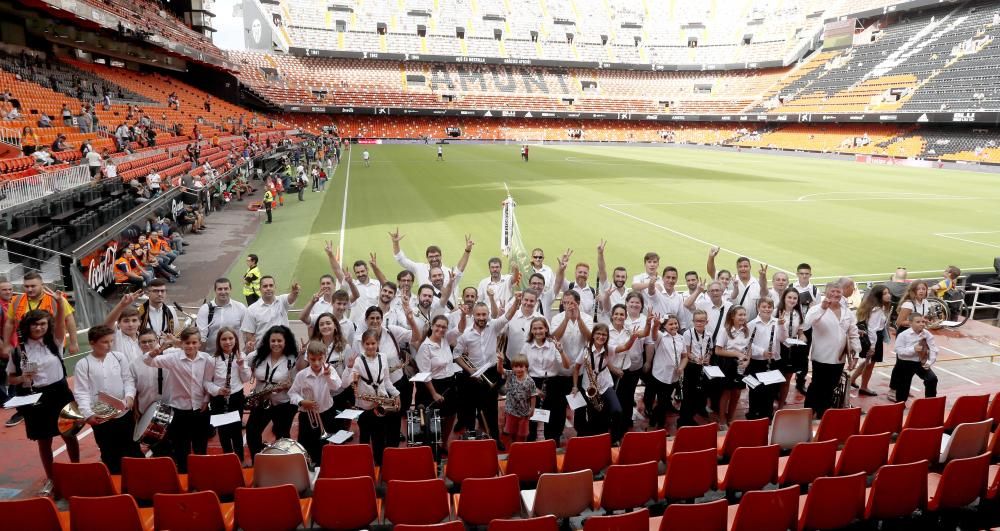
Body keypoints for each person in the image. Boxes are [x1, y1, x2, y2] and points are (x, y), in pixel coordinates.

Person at [7, 303, 78, 490]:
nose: (39, 328)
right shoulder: (18, 351)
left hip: (60, 393)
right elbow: (10, 378)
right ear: (28, 326)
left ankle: (79, 469)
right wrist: (22, 378)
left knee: (69, 434)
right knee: (44, 440)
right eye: (35, 324)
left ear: (49, 325)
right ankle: (51, 478)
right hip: (34, 397)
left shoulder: (55, 342)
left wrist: (60, 303)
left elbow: (62, 322)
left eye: (43, 324)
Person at [72, 325, 142, 473]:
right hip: (101, 418)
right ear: (92, 343)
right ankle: (117, 485)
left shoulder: (119, 357)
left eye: (111, 341)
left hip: (123, 414)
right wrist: (88, 414)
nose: (109, 345)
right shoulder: (83, 364)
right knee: (109, 453)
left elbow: (128, 380)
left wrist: (129, 397)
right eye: (105, 342)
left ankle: (139, 485)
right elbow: (81, 392)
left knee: (133, 449)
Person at [143, 326, 212, 473]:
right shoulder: (173, 358)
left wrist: (206, 400)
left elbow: (208, 382)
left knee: (201, 446)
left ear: (200, 343)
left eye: (194, 343)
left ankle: (201, 475)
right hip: (179, 411)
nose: (191, 346)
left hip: (201, 410)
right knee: (181, 447)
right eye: (187, 343)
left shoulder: (207, 359)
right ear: (182, 343)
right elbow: (148, 362)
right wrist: (153, 353)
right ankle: (184, 476)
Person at [803, 282, 859, 417]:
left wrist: (856, 353)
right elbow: (807, 323)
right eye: (832, 291)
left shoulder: (847, 312)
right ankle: (808, 412)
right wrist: (822, 308)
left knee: (831, 387)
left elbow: (853, 333)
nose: (835, 294)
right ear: (825, 293)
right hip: (821, 356)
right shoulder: (816, 309)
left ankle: (823, 414)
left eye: (838, 292)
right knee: (817, 385)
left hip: (839, 358)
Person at [246, 326, 301, 460]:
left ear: (286, 341)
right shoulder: (256, 355)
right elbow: (244, 367)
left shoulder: (293, 359)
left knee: (282, 435)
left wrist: (287, 387)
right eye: (273, 341)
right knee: (252, 431)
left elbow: (298, 383)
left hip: (283, 403)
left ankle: (281, 462)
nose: (276, 344)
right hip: (261, 400)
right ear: (268, 341)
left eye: (279, 341)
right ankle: (258, 459)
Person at [351, 329, 400, 465]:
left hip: (381, 404)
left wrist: (396, 393)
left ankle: (379, 464)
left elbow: (386, 380)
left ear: (378, 343)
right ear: (363, 344)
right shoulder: (358, 361)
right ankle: (364, 465)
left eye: (373, 343)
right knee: (365, 438)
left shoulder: (382, 357)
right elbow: (353, 378)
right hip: (365, 405)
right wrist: (352, 378)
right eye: (367, 344)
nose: (370, 346)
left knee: (379, 437)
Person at [290, 341, 343, 464]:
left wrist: (328, 376)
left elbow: (337, 386)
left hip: (326, 414)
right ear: (307, 358)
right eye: (313, 359)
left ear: (325, 356)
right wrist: (302, 401)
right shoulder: (301, 375)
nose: (317, 363)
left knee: (325, 447)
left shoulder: (330, 370)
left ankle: (323, 470)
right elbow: (292, 393)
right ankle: (310, 470)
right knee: (307, 445)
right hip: (307, 417)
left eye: (320, 359)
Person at [520, 317, 572, 442]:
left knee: (555, 416)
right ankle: (531, 443)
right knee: (532, 416)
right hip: (533, 382)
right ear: (531, 330)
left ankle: (553, 442)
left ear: (546, 329)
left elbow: (567, 365)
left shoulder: (553, 345)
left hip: (553, 383)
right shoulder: (527, 346)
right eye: (535, 328)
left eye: (541, 328)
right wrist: (534, 388)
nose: (538, 331)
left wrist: (561, 351)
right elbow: (522, 369)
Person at [549, 290, 592, 442]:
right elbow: (554, 337)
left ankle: (581, 436)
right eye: (565, 302)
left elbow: (589, 338)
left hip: (578, 372)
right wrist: (566, 320)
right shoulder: (557, 318)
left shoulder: (586, 318)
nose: (567, 306)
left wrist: (578, 319)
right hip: (560, 371)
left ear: (578, 303)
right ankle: (555, 436)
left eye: (571, 303)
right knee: (558, 408)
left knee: (580, 407)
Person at [3, 271, 80, 356]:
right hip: (26, 348)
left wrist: (74, 342)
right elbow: (9, 323)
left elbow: (69, 319)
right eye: (26, 286)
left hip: (52, 346)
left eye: (33, 286)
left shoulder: (56, 299)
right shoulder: (16, 301)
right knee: (29, 369)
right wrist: (6, 345)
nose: (29, 289)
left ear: (42, 285)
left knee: (52, 368)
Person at [205, 328, 250, 462]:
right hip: (219, 399)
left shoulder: (241, 355)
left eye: (231, 338)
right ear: (219, 342)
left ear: (236, 340)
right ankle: (228, 460)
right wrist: (218, 390)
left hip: (236, 398)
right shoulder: (213, 360)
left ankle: (240, 460)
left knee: (236, 431)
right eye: (224, 339)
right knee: (223, 432)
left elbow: (246, 378)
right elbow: (206, 382)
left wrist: (242, 366)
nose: (228, 342)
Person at [415, 315, 459, 445]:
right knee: (434, 419)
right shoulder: (425, 347)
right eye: (438, 326)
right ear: (432, 326)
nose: (440, 329)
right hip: (433, 385)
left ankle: (444, 443)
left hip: (449, 382)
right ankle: (434, 447)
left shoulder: (445, 340)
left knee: (451, 415)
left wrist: (462, 315)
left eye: (444, 327)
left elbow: (459, 329)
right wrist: (434, 393)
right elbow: (425, 374)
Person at [573, 323, 622, 435]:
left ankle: (614, 438)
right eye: (598, 334)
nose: (601, 336)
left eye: (604, 334)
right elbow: (576, 369)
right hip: (589, 386)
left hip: (605, 385)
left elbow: (625, 347)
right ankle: (595, 437)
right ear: (593, 335)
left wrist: (633, 338)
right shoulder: (586, 350)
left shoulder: (608, 349)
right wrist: (575, 386)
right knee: (594, 416)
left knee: (617, 410)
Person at [849, 285, 891, 397]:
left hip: (874, 337)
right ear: (879, 296)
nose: (888, 295)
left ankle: (852, 380)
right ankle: (864, 386)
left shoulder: (873, 306)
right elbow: (873, 329)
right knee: (870, 364)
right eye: (885, 293)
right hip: (874, 338)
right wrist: (872, 346)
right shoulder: (877, 309)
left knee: (868, 362)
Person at [714, 306, 751, 430]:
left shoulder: (747, 330)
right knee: (726, 392)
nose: (743, 317)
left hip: (741, 364)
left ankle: (730, 417)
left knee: (737, 392)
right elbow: (718, 351)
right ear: (732, 316)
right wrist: (736, 354)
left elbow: (749, 348)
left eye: (744, 314)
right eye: (740, 315)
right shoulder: (725, 331)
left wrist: (747, 361)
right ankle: (722, 420)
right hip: (728, 363)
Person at [745, 298, 781, 420]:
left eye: (769, 307)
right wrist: (762, 352)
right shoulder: (751, 324)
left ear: (773, 308)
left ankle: (767, 415)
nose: (767, 309)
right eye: (764, 306)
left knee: (770, 391)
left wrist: (782, 327)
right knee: (755, 390)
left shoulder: (777, 323)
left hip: (772, 361)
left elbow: (783, 339)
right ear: (758, 308)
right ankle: (753, 415)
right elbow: (748, 344)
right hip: (756, 362)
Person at [889, 314, 938, 403]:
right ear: (911, 323)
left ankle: (930, 402)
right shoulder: (903, 335)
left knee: (932, 379)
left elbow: (934, 349)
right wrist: (913, 349)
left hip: (920, 362)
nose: (921, 324)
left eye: (923, 322)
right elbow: (898, 350)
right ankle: (900, 405)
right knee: (903, 388)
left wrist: (929, 362)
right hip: (905, 363)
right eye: (918, 322)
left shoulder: (927, 334)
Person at [241, 276, 299, 350]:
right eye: (265, 286)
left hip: (284, 348)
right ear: (260, 289)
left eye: (271, 285)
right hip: (263, 351)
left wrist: (294, 292)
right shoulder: (251, 309)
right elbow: (249, 333)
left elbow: (291, 298)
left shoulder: (282, 301)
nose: (268, 288)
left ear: (275, 287)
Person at [678, 309, 711, 427]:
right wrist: (696, 359)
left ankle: (698, 410)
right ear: (693, 321)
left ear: (706, 322)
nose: (699, 323)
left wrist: (707, 358)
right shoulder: (688, 334)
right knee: (688, 394)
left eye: (702, 321)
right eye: (697, 321)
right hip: (691, 366)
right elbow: (686, 353)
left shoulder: (709, 334)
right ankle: (685, 419)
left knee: (701, 391)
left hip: (703, 367)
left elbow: (709, 350)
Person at [774, 287, 807, 406]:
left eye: (795, 298)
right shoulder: (776, 311)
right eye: (789, 297)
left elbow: (800, 333)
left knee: (787, 378)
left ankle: (781, 405)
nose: (792, 300)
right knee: (775, 378)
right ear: (784, 298)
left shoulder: (798, 313)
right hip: (777, 348)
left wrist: (802, 338)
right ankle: (772, 401)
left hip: (791, 349)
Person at [497, 353, 536, 449]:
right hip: (511, 411)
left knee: (522, 434)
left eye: (521, 366)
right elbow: (500, 370)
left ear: (526, 367)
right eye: (515, 366)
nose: (518, 369)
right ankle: (514, 446)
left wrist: (532, 409)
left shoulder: (530, 381)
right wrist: (501, 361)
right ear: (512, 367)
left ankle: (522, 448)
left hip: (524, 413)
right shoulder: (511, 374)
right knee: (511, 431)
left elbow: (533, 396)